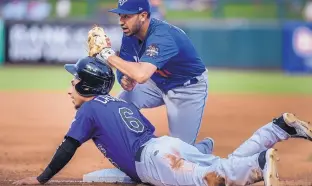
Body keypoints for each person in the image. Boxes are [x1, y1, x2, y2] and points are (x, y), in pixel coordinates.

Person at [13, 56, 312, 186]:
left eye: (74, 79)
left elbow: (68, 146)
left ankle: (259, 163)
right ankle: (277, 128)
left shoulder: (88, 111)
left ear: (87, 86)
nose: (70, 85)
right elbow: (140, 139)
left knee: (215, 179)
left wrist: (41, 178)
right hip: (164, 146)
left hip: (154, 161)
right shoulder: (116, 103)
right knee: (219, 164)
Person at [89, 0, 211, 154]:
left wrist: (107, 53)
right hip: (156, 82)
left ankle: (202, 149)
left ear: (143, 15)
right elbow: (126, 65)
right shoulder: (130, 34)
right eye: (120, 16)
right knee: (119, 106)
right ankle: (138, 148)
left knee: (180, 155)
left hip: (186, 88)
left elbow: (141, 75)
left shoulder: (162, 36)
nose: (121, 22)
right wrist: (124, 79)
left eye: (127, 16)